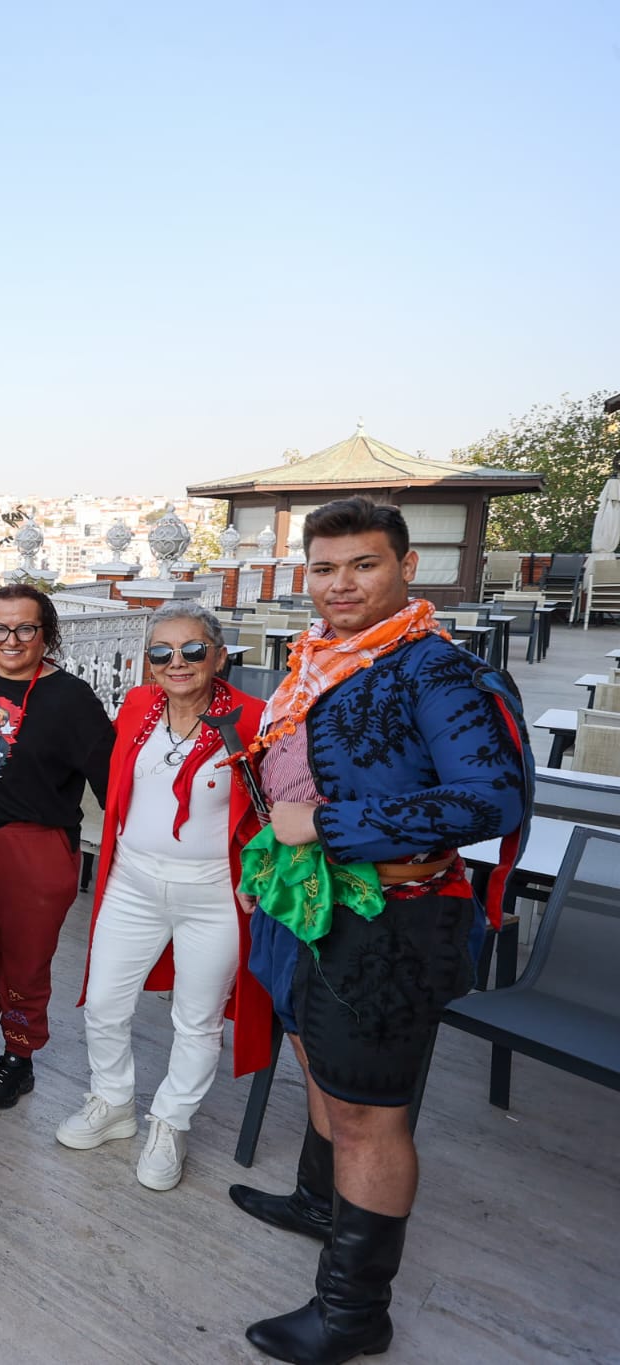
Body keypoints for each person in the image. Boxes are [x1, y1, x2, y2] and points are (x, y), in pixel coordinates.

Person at [232, 499, 527, 1364]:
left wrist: (323, 827)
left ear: (405, 566)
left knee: (370, 1116)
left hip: (390, 920)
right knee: (317, 1059)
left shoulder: (432, 671)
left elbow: (488, 799)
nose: (340, 584)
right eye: (323, 568)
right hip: (312, 907)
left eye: (362, 565)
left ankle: (355, 1314)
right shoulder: (318, 660)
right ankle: (318, 1204)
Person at [59, 602, 269, 1192]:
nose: (178, 662)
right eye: (162, 652)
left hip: (213, 895)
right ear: (149, 663)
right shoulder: (137, 707)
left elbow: (273, 810)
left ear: (220, 655)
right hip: (133, 883)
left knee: (197, 1020)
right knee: (103, 1002)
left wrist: (259, 872)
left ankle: (171, 1122)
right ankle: (113, 1100)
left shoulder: (250, 720)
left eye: (193, 650)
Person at [0, 584, 113, 1108]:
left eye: (25, 628)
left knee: (26, 956)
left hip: (34, 843)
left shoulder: (73, 699)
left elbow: (109, 781)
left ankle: (20, 1054)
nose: (11, 639)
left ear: (46, 633)